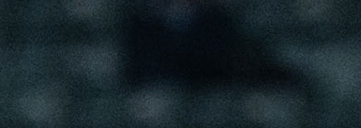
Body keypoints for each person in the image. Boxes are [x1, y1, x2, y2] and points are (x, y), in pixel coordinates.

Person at [121, 0, 305, 90]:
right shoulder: (142, 23)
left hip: (211, 92)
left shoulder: (217, 20)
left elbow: (224, 63)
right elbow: (138, 67)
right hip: (160, 91)